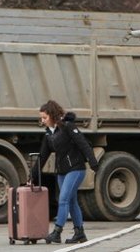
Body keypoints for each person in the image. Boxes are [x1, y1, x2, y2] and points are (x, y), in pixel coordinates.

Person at [31, 100, 99, 244]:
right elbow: (42, 157)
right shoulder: (48, 134)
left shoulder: (68, 126)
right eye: (41, 118)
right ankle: (80, 233)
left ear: (52, 115)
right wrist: (32, 177)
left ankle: (57, 232)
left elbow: (83, 144)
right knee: (71, 201)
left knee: (63, 199)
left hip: (76, 169)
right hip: (61, 172)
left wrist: (93, 163)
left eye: (44, 117)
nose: (42, 121)